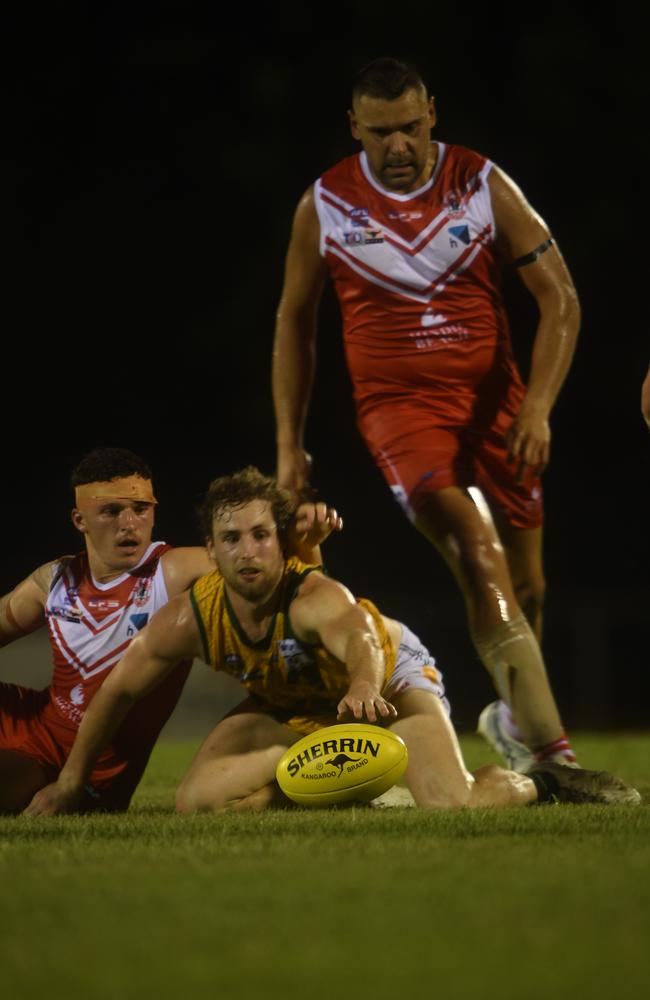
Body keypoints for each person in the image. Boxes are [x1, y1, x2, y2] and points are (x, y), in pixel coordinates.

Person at [272, 57, 582, 773]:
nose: (399, 147)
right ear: (355, 128)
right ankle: (555, 757)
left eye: (410, 128)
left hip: (498, 411)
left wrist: (537, 408)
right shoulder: (326, 204)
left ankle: (512, 717)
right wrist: (290, 442)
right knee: (478, 553)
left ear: (432, 114)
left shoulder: (480, 183)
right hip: (399, 414)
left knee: (527, 584)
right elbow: (294, 322)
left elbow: (560, 298)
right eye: (380, 133)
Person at [25, 468, 640, 816]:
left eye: (262, 535)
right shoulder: (189, 617)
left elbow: (360, 641)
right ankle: (349, 783)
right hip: (295, 707)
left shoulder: (315, 596)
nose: (248, 552)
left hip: (389, 688)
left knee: (458, 808)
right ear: (210, 552)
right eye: (231, 539)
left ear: (280, 542)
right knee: (199, 803)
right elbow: (116, 693)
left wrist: (366, 687)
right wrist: (72, 782)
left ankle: (542, 781)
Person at [0, 448, 339, 814]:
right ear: (80, 519)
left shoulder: (175, 571)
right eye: (111, 511)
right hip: (30, 719)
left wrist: (307, 542)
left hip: (83, 766)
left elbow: (291, 585)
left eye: (140, 509)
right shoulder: (54, 581)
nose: (129, 523)